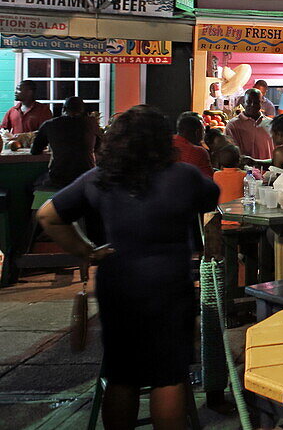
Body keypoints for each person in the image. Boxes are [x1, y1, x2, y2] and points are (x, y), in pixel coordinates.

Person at [36, 105, 218, 430]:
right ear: (162, 141)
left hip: (118, 283)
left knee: (122, 375)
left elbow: (48, 215)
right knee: (169, 376)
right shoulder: (184, 176)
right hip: (170, 284)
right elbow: (211, 200)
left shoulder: (99, 179)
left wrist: (88, 252)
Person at [30, 96, 99, 189]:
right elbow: (100, 147)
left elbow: (35, 151)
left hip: (59, 179)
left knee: (31, 186)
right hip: (86, 177)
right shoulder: (92, 123)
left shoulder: (49, 124)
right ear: (83, 110)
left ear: (63, 109)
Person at [225, 88, 274, 160]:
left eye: (256, 102)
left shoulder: (271, 124)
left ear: (261, 103)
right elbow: (231, 152)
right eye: (249, 102)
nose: (252, 105)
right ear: (243, 103)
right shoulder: (233, 125)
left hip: (267, 170)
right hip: (243, 170)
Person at [173, 112, 214, 178]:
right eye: (203, 129)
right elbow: (209, 180)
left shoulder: (166, 143)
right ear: (197, 132)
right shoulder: (199, 152)